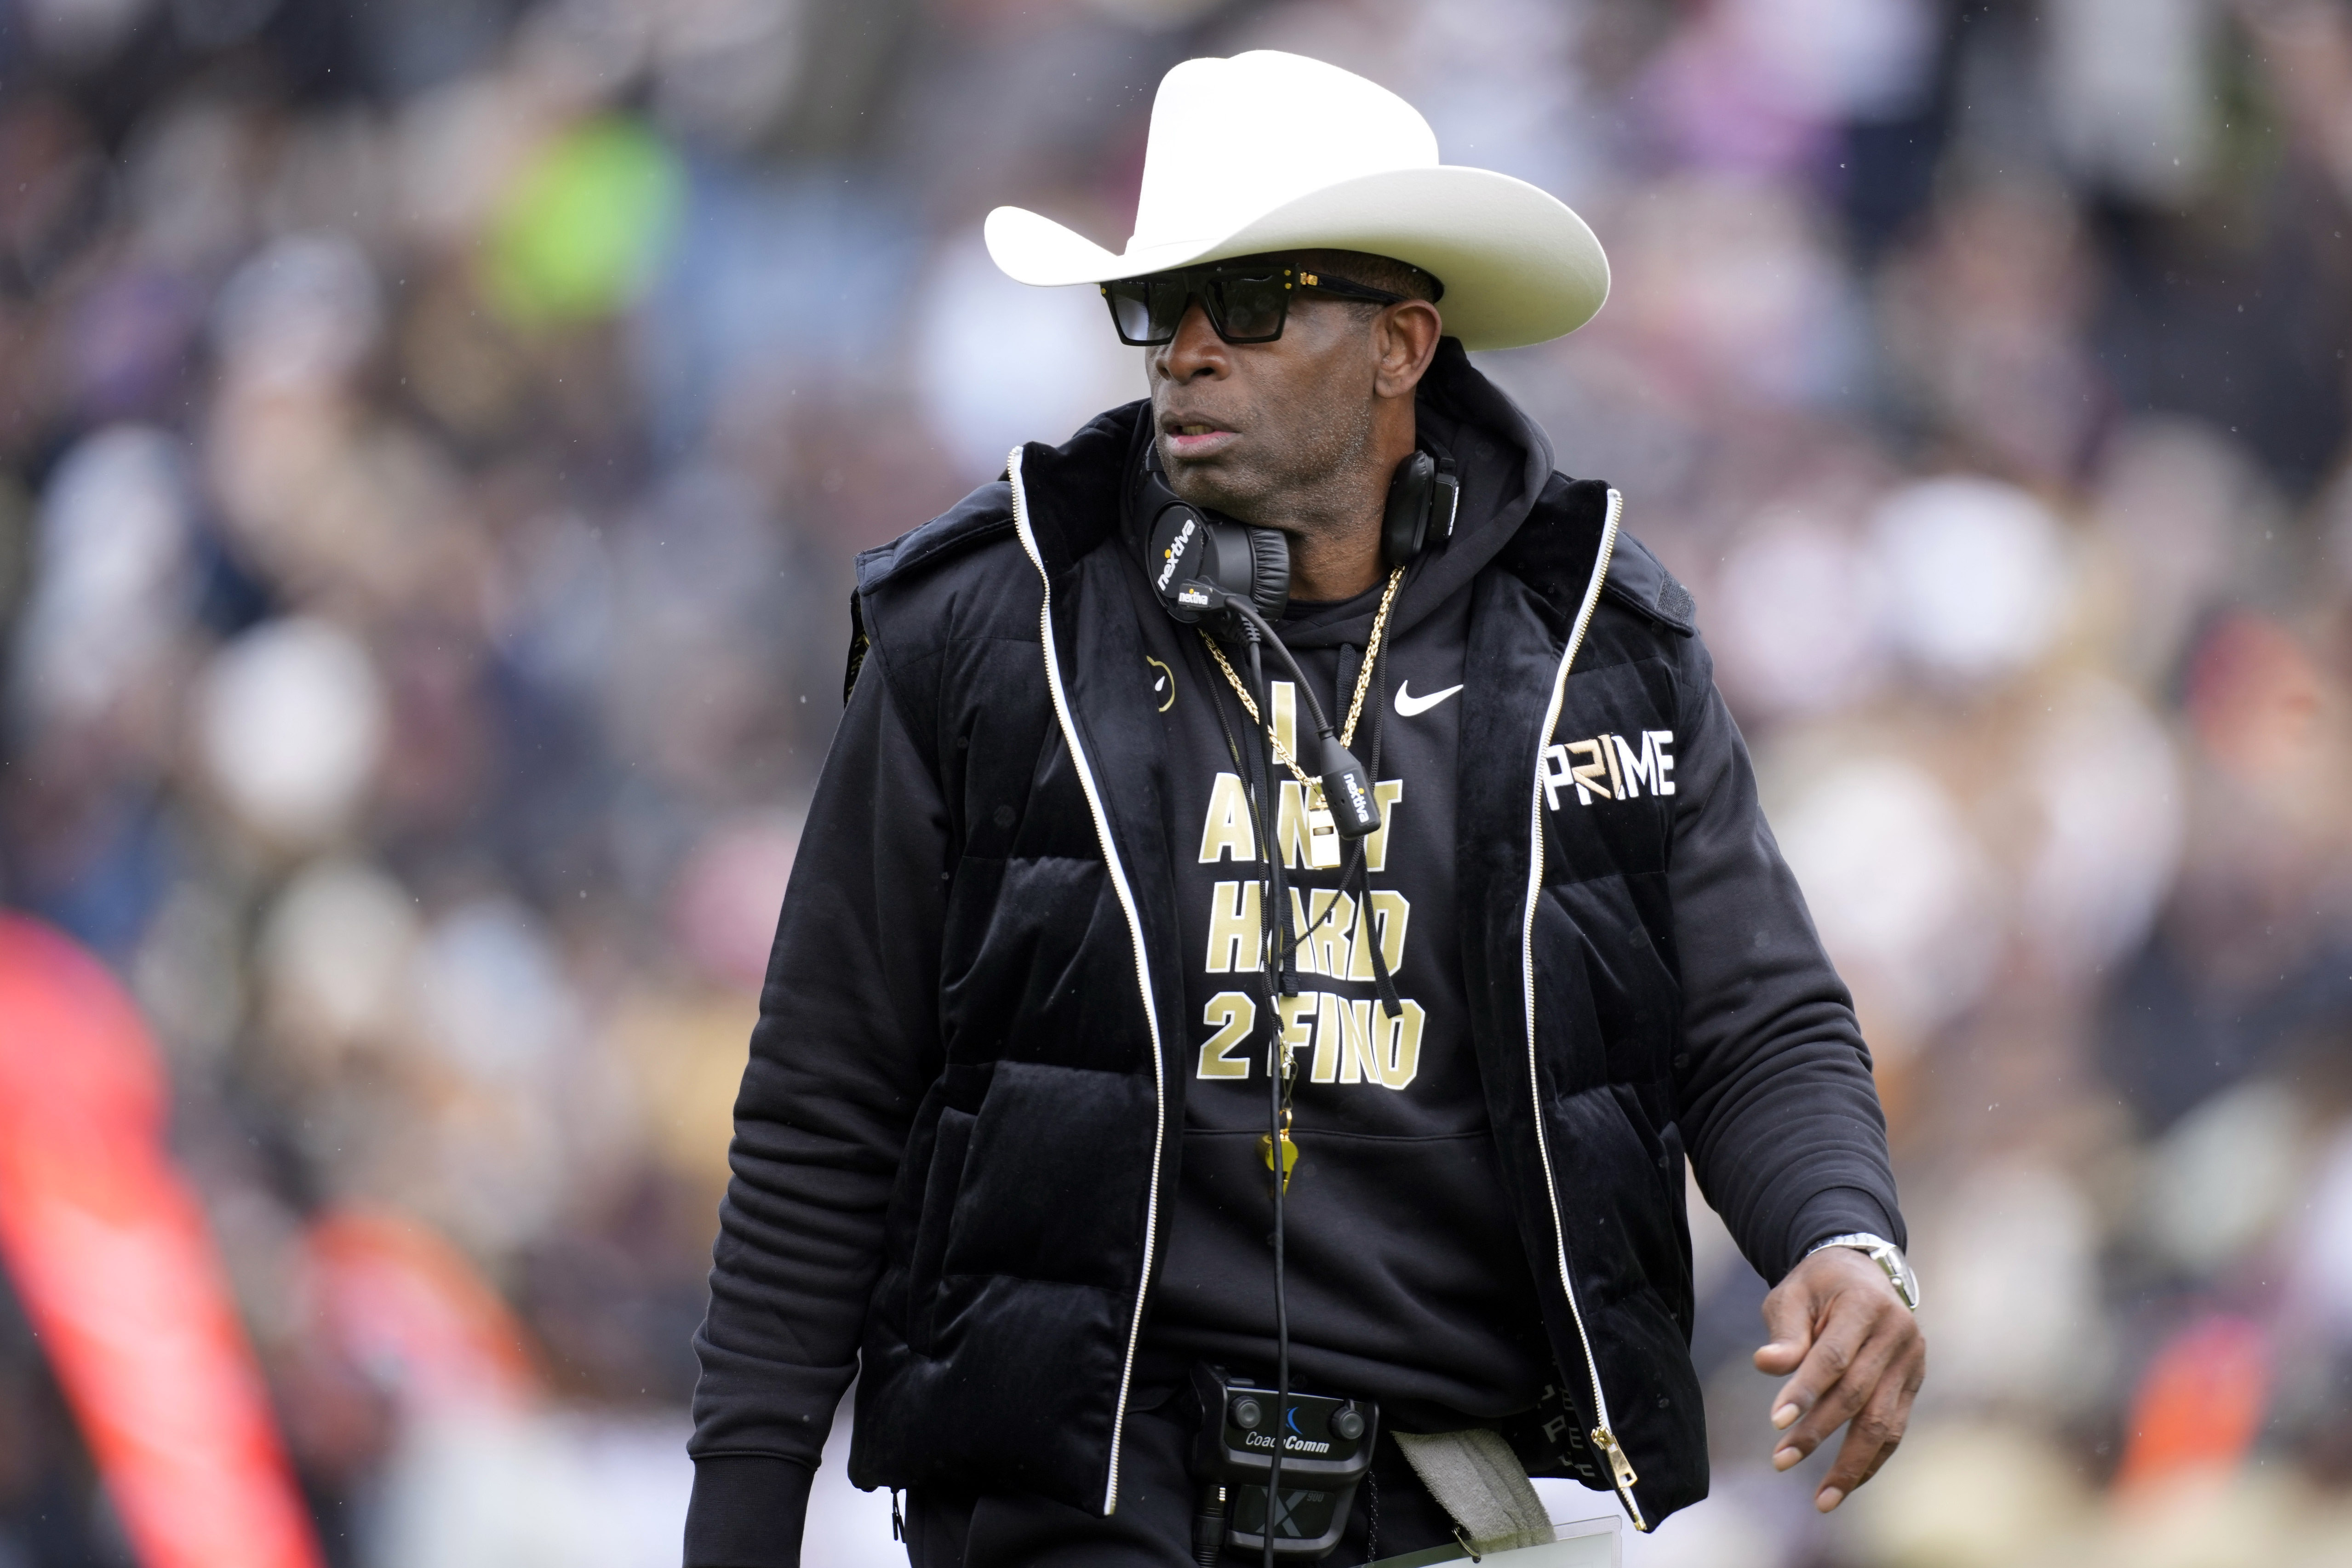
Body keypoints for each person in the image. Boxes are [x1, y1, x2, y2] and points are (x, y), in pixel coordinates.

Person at [684, 51, 1923, 1568]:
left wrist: (1840, 1235)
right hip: (1074, 1508)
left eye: (1252, 305)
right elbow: (829, 1089)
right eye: (1161, 307)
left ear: (1402, 342)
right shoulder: (985, 629)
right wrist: (739, 1517)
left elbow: (1754, 1018)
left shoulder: (1599, 643)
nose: (1185, 354)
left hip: (1469, 1504)